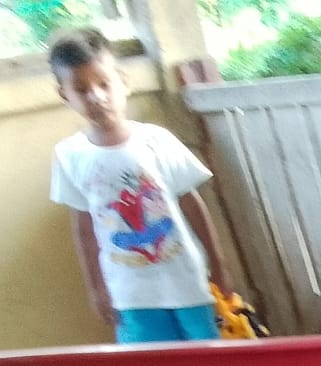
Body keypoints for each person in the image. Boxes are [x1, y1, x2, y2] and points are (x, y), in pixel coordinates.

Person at [49, 28, 231, 345]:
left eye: (104, 84)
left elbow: (192, 205)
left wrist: (219, 266)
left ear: (123, 81)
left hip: (188, 284)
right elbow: (84, 229)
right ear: (65, 95)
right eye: (81, 89)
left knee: (210, 360)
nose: (96, 97)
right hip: (130, 296)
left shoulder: (157, 141)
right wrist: (96, 289)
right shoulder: (69, 156)